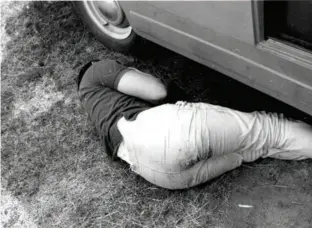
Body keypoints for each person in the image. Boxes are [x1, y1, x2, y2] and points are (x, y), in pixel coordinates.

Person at [77, 59, 312, 190]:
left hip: (160, 174)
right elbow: (157, 91)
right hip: (164, 132)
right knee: (268, 130)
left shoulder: (96, 108)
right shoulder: (96, 71)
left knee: (254, 148)